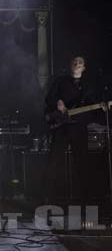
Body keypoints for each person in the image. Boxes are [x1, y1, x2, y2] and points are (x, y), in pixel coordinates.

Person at [44, 56, 96, 203]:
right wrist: (58, 102)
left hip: (79, 128)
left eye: (80, 63)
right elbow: (49, 98)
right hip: (61, 127)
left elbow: (92, 106)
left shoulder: (88, 86)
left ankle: (86, 200)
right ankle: (48, 199)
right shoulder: (60, 81)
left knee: (83, 163)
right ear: (70, 65)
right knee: (53, 162)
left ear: (84, 68)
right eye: (74, 62)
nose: (76, 64)